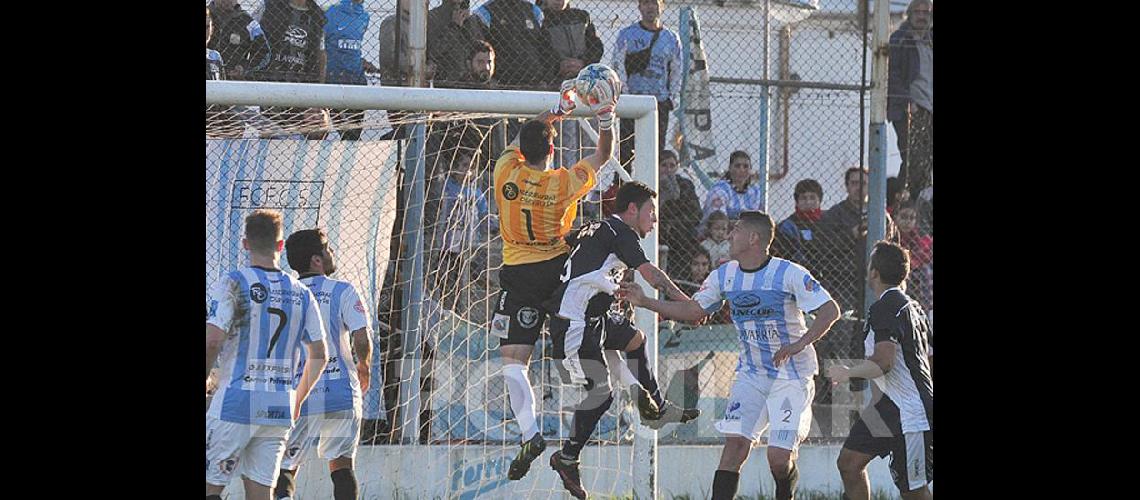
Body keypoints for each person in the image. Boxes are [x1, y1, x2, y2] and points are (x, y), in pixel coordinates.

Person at [619, 210, 841, 500]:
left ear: (753, 238)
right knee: (734, 447)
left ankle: (786, 490)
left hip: (792, 375)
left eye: (736, 231)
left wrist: (799, 344)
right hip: (751, 375)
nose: (729, 235)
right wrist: (646, 301)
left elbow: (830, 310)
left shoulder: (789, 273)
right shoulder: (724, 275)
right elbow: (695, 312)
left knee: (777, 458)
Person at [490, 75, 621, 481]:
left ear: (520, 150)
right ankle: (599, 393)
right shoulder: (564, 182)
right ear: (552, 149)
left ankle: (530, 434)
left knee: (514, 363)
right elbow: (603, 154)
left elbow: (532, 130)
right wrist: (604, 117)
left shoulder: (504, 171)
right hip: (558, 273)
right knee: (578, 351)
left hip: (519, 276)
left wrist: (559, 110)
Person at [544, 181, 700, 499]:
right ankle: (567, 457)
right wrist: (687, 303)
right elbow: (651, 273)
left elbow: (574, 250)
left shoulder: (596, 228)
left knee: (635, 339)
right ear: (632, 210)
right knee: (601, 395)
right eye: (651, 212)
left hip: (595, 317)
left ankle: (655, 405)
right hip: (574, 323)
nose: (654, 220)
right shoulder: (621, 233)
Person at [206, 210, 329, 500]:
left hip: (235, 402)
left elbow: (212, 340)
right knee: (262, 494)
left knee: (211, 487)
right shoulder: (301, 292)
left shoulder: (234, 282)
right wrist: (297, 399)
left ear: (246, 243)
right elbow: (320, 355)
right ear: (280, 246)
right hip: (278, 406)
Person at [273, 229, 374, 500]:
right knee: (341, 465)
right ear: (317, 260)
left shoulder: (285, 294)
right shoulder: (342, 290)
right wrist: (363, 365)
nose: (332, 255)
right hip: (340, 390)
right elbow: (360, 335)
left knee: (285, 465)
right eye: (328, 250)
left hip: (300, 392)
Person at [829, 240, 933, 500]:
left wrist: (846, 372)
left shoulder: (887, 306)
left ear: (873, 272)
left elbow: (883, 362)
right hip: (889, 407)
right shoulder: (911, 306)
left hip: (910, 413)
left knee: (913, 491)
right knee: (849, 463)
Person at [613, 0, 682, 169]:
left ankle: (650, 189)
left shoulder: (671, 38)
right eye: (646, 3)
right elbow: (618, 65)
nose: (650, 7)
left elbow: (677, 70)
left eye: (654, 3)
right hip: (633, 100)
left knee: (654, 151)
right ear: (639, 7)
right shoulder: (627, 35)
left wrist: (671, 99)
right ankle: (621, 186)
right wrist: (626, 95)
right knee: (626, 150)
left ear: (662, 6)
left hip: (658, 102)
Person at [254, 0, 331, 139]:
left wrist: (319, 90)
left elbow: (321, 54)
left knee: (296, 140)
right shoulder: (269, 6)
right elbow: (250, 33)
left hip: (302, 87)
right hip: (269, 84)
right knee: (270, 137)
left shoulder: (317, 16)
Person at [888, 0, 934, 205]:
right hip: (912, 107)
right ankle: (904, 204)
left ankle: (918, 205)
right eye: (918, 12)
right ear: (910, 13)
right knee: (913, 159)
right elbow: (893, 75)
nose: (922, 16)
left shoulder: (930, 39)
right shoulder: (900, 39)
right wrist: (908, 101)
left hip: (930, 106)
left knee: (927, 160)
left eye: (927, 12)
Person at [324, 0, 376, 141]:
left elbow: (352, 46)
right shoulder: (329, 12)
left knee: (354, 134)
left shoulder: (364, 15)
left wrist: (361, 62)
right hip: (333, 80)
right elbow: (321, 46)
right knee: (335, 130)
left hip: (356, 80)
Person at [473, 0, 550, 89]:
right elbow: (480, 50)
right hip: (501, 82)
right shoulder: (484, 11)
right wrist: (491, 79)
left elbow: (546, 48)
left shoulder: (535, 11)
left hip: (534, 81)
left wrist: (546, 79)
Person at [657, 149, 702, 279]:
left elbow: (696, 213)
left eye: (672, 165)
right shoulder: (651, 182)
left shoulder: (685, 185)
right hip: (661, 232)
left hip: (682, 235)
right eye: (664, 165)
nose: (668, 169)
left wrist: (675, 223)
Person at [771, 178, 825, 274]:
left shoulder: (829, 220)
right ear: (797, 201)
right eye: (803, 198)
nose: (808, 202)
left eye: (812, 197)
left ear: (819, 200)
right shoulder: (788, 226)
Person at [427, 0, 487, 85]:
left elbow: (480, 50)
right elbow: (434, 52)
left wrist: (467, 24)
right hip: (444, 81)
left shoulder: (473, 19)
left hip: (471, 82)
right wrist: (454, 26)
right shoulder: (433, 17)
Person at [208, 0, 270, 80]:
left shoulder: (248, 22)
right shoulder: (207, 15)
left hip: (232, 81)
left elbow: (264, 52)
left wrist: (244, 67)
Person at [701, 150, 763, 223]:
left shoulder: (755, 190)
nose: (742, 170)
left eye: (746, 166)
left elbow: (759, 219)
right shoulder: (720, 189)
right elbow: (719, 220)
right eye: (737, 166)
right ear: (730, 168)